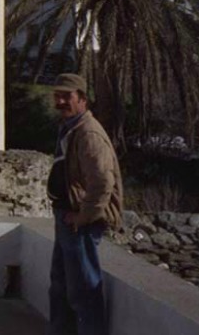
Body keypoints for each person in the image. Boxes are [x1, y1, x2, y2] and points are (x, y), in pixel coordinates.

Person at [46, 73, 123, 335]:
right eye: (58, 96)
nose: (61, 101)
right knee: (61, 285)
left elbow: (103, 182)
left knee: (83, 291)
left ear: (82, 99)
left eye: (67, 96)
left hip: (81, 222)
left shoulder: (89, 133)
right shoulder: (70, 127)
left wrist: (83, 217)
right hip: (67, 216)